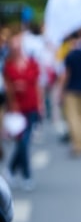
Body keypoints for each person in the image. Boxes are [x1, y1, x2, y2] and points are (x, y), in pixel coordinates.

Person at [3, 34, 43, 191]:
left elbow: (38, 85)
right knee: (23, 142)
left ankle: (12, 169)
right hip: (16, 108)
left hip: (31, 105)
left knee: (24, 141)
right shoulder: (8, 66)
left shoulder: (32, 64)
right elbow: (7, 87)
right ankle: (26, 175)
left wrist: (41, 105)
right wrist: (15, 89)